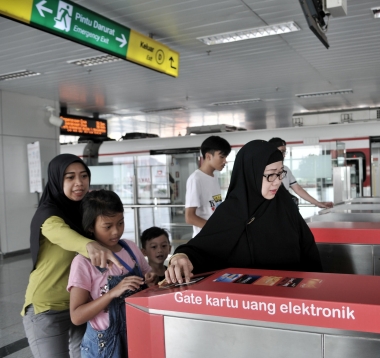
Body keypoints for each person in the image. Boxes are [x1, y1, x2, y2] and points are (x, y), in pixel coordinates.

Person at [165, 140, 323, 283]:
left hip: (292, 301)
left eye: (280, 173)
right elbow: (202, 249)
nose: (277, 181)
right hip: (246, 303)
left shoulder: (285, 205)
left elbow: (309, 253)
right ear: (250, 174)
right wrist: (181, 256)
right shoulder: (230, 212)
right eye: (270, 175)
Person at [22, 154, 122, 358]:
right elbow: (64, 235)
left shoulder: (85, 210)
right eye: (70, 177)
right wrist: (90, 245)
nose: (79, 183)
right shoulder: (48, 216)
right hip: (47, 308)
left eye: (84, 176)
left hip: (82, 304)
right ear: (57, 180)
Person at [68, 190, 155, 358]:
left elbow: (149, 280)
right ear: (90, 227)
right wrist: (112, 294)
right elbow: (77, 316)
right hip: (104, 348)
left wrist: (151, 281)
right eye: (108, 226)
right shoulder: (83, 262)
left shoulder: (130, 249)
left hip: (137, 335)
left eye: (120, 223)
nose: (116, 231)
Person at [268, 137, 333, 209]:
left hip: (283, 208)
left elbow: (298, 189)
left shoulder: (286, 169)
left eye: (284, 152)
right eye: (281, 151)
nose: (284, 155)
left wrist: (317, 203)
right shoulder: (263, 170)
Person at [185, 135, 231, 236]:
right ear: (208, 156)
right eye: (221, 156)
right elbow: (189, 217)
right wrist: (215, 228)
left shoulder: (213, 177)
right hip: (204, 239)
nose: (225, 161)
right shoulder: (196, 179)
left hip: (215, 236)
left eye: (225, 157)